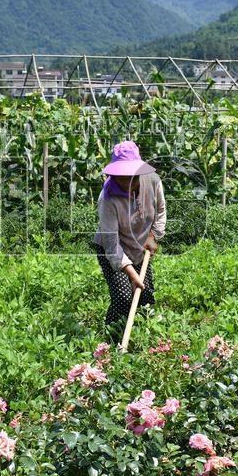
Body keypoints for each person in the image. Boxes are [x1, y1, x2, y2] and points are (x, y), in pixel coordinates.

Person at [92, 140, 166, 339]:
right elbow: (111, 243)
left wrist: (153, 235)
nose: (126, 181)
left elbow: (160, 210)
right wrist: (131, 273)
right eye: (120, 176)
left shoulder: (153, 181)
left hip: (140, 244)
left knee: (145, 295)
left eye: (130, 175)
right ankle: (111, 339)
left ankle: (142, 336)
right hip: (112, 249)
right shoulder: (107, 199)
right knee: (123, 297)